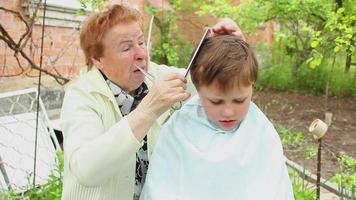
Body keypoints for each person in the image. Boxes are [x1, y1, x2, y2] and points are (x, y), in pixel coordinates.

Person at [60, 3, 242, 200]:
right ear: (98, 59)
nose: (140, 54)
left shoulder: (154, 75)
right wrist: (148, 109)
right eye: (126, 47)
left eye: (141, 42)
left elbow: (208, 81)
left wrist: (232, 47)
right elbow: (86, 171)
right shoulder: (82, 95)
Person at [140, 35, 295, 200]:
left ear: (252, 87)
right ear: (198, 91)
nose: (228, 112)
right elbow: (160, 189)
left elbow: (274, 188)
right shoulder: (179, 130)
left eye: (239, 100)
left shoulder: (260, 131)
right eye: (216, 102)